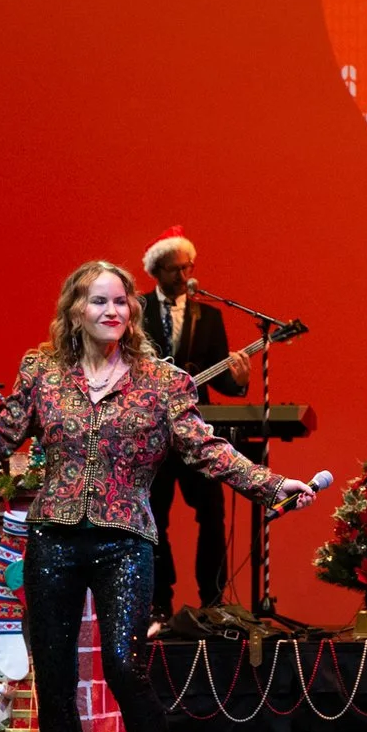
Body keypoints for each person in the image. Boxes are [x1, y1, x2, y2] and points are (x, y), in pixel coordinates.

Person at [0, 259, 314, 732]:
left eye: (120, 301)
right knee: (54, 675)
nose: (111, 310)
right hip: (54, 537)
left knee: (124, 666)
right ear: (75, 310)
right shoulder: (42, 371)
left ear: (133, 312)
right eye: (98, 301)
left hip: (125, 540)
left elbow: (207, 450)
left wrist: (273, 485)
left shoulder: (162, 381)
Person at [137, 226, 252, 617]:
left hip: (196, 428)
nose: (184, 276)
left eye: (188, 267)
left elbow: (219, 378)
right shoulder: (136, 310)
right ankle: (158, 602)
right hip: (150, 432)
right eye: (175, 269)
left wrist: (238, 380)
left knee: (212, 514)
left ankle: (213, 600)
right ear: (157, 271)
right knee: (153, 516)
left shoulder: (210, 316)